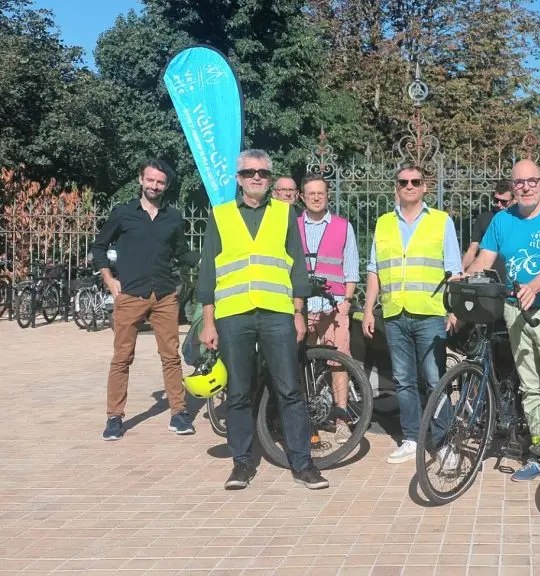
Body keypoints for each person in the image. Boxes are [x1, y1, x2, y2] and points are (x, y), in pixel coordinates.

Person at [197, 149, 329, 491]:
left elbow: (297, 266)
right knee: (238, 392)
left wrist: (298, 312)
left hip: (277, 313)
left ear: (270, 180)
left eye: (263, 173)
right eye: (250, 172)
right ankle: (241, 463)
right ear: (239, 179)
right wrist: (207, 322)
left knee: (290, 389)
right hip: (233, 315)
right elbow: (208, 271)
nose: (257, 177)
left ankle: (302, 463)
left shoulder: (284, 214)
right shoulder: (221, 215)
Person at [463, 159, 540, 484]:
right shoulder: (502, 220)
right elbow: (485, 260)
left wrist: (534, 287)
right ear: (512, 188)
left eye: (532, 181)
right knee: (529, 386)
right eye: (519, 183)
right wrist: (464, 276)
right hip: (514, 310)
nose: (525, 186)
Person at [91, 159, 199, 441]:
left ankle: (178, 412)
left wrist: (211, 255)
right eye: (150, 180)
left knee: (170, 357)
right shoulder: (123, 214)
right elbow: (99, 246)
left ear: (166, 185)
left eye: (160, 182)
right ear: (141, 180)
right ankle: (114, 417)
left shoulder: (173, 218)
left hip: (164, 295)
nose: (155, 185)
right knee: (122, 357)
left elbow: (182, 253)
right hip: (130, 295)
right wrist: (109, 279)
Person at [362, 163, 461, 464]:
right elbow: (374, 270)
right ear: (396, 186)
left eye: (415, 181)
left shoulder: (442, 222)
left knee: (435, 379)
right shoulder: (383, 223)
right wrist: (368, 309)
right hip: (394, 314)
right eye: (403, 181)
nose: (409, 186)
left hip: (430, 313)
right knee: (403, 381)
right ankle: (411, 438)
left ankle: (444, 443)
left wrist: (454, 310)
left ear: (424, 186)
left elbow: (454, 270)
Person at [298, 174, 360, 428]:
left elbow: (352, 268)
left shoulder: (343, 226)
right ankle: (306, 417)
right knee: (300, 363)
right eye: (311, 193)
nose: (315, 197)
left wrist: (346, 301)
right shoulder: (292, 226)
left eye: (320, 193)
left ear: (327, 195)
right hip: (301, 307)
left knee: (338, 362)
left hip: (333, 306)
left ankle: (341, 416)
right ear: (302, 196)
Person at [462, 180, 514, 283]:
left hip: (513, 276)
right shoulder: (484, 218)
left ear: (514, 200)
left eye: (504, 201)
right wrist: (461, 271)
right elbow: (472, 250)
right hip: (488, 278)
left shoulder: (520, 219)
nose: (499, 204)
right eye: (496, 200)